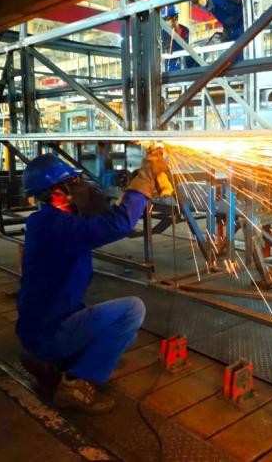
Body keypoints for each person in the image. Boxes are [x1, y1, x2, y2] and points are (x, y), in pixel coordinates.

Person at [16, 148, 168, 414]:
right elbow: (118, 225)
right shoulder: (58, 228)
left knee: (124, 334)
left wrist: (135, 191)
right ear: (57, 193)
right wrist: (144, 179)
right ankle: (73, 385)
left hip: (40, 327)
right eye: (74, 183)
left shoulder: (50, 222)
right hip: (48, 332)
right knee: (132, 311)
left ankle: (54, 363)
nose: (82, 187)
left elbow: (106, 218)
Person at [161, 5, 196, 71]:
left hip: (185, 61)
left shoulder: (186, 30)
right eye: (164, 20)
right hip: (171, 65)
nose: (166, 22)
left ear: (176, 17)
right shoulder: (163, 33)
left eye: (167, 19)